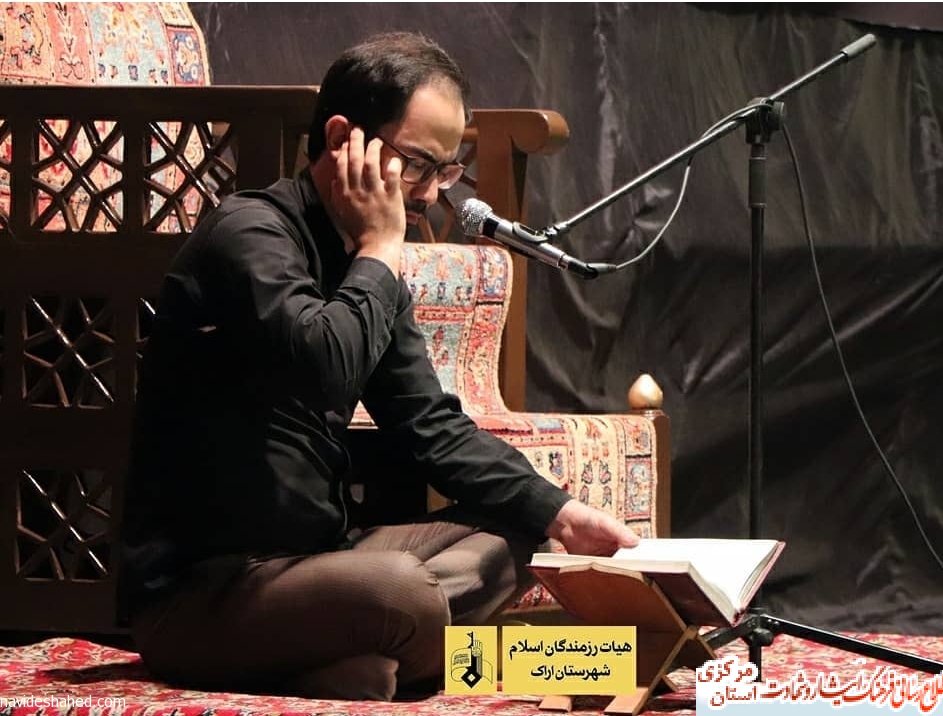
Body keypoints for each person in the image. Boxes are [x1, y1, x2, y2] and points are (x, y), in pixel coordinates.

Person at [117, 31, 639, 701]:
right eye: (418, 164)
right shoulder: (249, 234)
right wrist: (382, 246)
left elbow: (430, 426)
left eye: (447, 171)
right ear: (343, 139)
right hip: (203, 594)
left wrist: (563, 513)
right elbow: (323, 371)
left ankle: (348, 665)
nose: (429, 194)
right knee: (399, 591)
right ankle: (494, 660)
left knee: (518, 533)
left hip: (320, 567)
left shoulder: (366, 261)